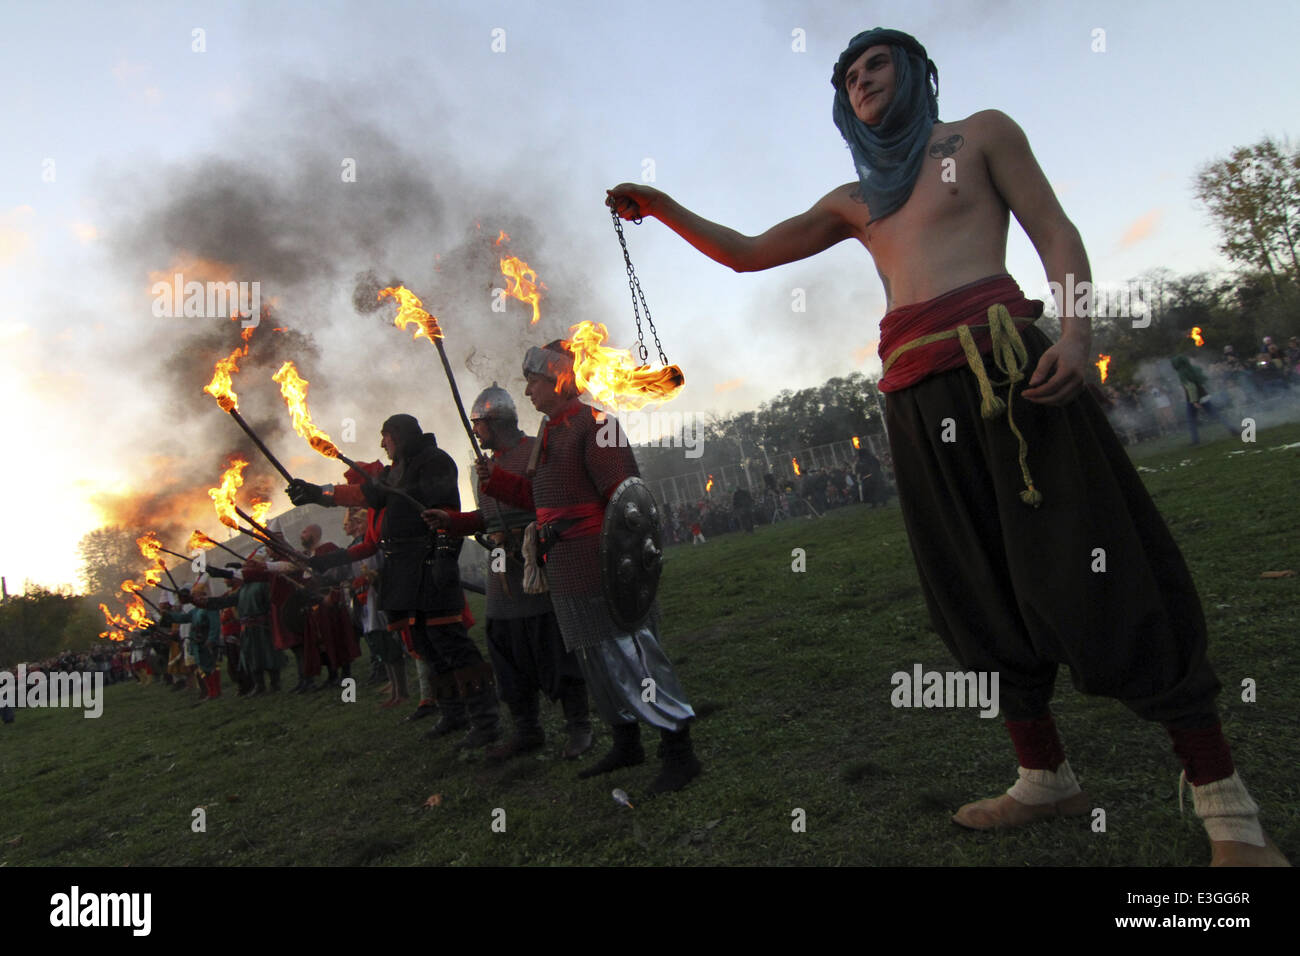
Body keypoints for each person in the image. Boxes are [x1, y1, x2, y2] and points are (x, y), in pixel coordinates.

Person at [607, 27, 1285, 863]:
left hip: (1007, 371)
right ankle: (1045, 777)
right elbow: (748, 255)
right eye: (848, 76)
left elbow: (1056, 233)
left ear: (917, 70)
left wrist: (1075, 336)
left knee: (1093, 561)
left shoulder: (982, 135)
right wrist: (661, 205)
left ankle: (1228, 810)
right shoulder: (855, 200)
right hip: (916, 399)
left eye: (876, 63)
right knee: (972, 584)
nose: (862, 80)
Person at [431, 343, 701, 794]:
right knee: (597, 662)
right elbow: (543, 501)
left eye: (533, 380)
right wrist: (495, 481)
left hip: (600, 565)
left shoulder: (597, 426)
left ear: (557, 379)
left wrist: (620, 567)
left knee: (633, 656)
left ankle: (679, 750)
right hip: (566, 567)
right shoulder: (551, 432)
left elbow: (627, 504)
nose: (528, 390)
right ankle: (625, 740)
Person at [288, 415, 500, 749]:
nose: (381, 444)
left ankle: (486, 719)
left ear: (398, 436)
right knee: (426, 645)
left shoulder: (435, 461)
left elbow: (446, 511)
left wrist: (444, 557)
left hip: (430, 561)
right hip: (402, 568)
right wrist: (319, 494)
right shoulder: (392, 472)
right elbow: (362, 495)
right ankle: (452, 712)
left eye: (385, 437)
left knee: (451, 642)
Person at [423, 383, 593, 761]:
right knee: (506, 647)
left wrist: (496, 479)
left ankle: (579, 726)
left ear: (495, 421)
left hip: (538, 560)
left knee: (552, 645)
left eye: (478, 424)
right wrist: (450, 521)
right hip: (501, 568)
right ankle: (527, 730)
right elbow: (486, 517)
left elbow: (542, 500)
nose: (475, 432)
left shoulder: (536, 450)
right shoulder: (484, 466)